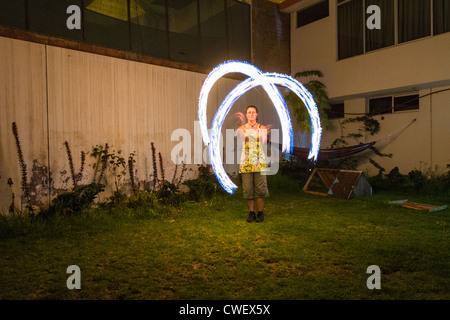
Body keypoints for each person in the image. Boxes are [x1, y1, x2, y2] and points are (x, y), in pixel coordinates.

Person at [237, 105, 270, 223]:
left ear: (257, 114)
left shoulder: (263, 128)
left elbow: (263, 141)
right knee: (248, 188)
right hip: (246, 162)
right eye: (249, 112)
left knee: (261, 188)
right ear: (246, 115)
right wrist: (256, 136)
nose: (251, 114)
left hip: (260, 162)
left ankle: (260, 213)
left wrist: (250, 136)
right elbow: (242, 139)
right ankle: (251, 213)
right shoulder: (241, 128)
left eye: (253, 112)